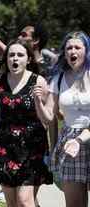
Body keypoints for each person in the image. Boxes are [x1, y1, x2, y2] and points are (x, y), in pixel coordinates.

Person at [0, 40, 53, 207]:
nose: (15, 58)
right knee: (12, 203)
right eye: (11, 55)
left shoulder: (38, 80)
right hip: (6, 145)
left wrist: (38, 102)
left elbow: (47, 118)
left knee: (24, 201)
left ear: (28, 59)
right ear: (6, 59)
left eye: (20, 55)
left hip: (31, 145)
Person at [33, 31, 90, 207]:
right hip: (69, 141)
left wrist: (80, 139)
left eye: (77, 47)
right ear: (64, 53)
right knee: (74, 203)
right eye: (69, 48)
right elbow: (49, 117)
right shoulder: (58, 80)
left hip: (85, 136)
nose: (73, 51)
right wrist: (38, 101)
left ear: (86, 51)